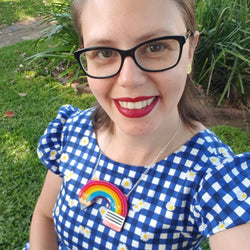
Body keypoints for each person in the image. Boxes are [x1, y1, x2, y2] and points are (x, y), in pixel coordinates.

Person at [24, 0, 250, 249]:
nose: (129, 80)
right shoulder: (73, 131)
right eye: (104, 52)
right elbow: (45, 217)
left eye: (155, 47)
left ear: (189, 51)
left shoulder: (213, 175)